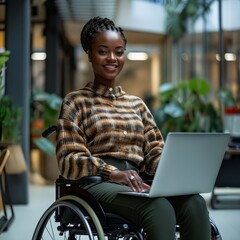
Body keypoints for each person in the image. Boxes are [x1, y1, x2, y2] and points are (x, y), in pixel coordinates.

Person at [56, 16, 211, 240]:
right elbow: (69, 158)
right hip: (98, 183)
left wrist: (172, 171)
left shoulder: (136, 104)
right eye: (103, 51)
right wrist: (113, 173)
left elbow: (155, 150)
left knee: (194, 203)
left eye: (119, 52)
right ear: (89, 54)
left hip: (138, 181)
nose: (112, 58)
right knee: (159, 208)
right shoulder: (76, 102)